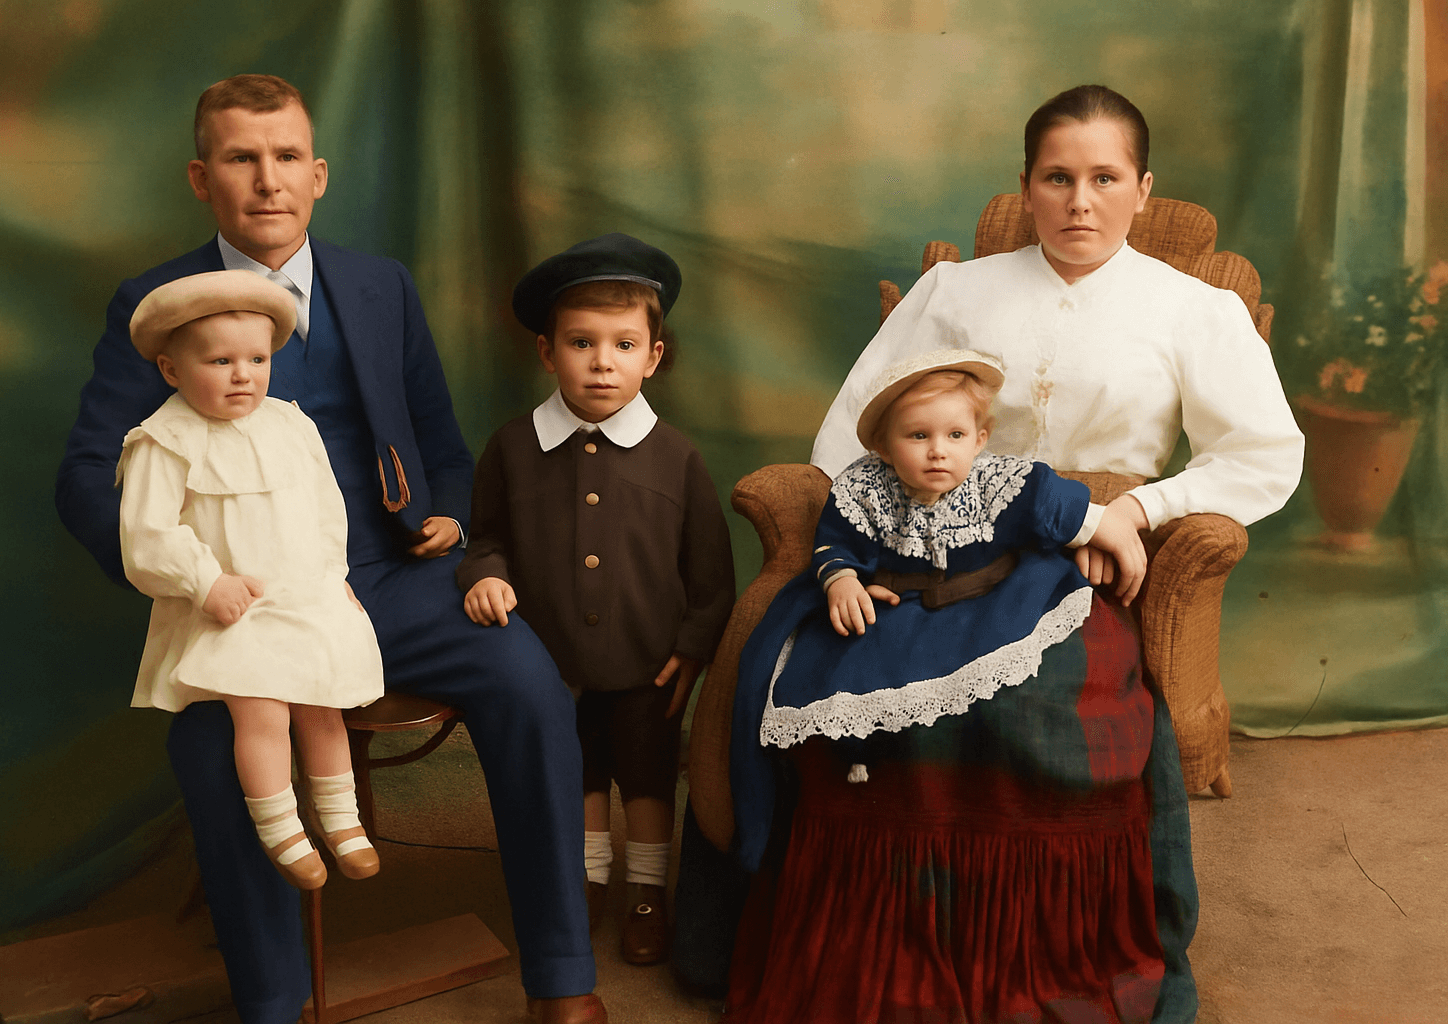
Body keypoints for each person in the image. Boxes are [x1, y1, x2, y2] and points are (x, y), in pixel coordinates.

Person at [699, 84, 1304, 1024]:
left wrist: (1140, 509)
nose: (1079, 202)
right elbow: (848, 438)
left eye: (1105, 179)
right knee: (843, 687)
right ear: (1025, 186)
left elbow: (1264, 455)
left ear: (1143, 189)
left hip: (1079, 556)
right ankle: (881, 952)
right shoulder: (958, 292)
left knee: (1042, 701)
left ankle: (1031, 950)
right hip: (915, 544)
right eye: (1057, 178)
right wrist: (855, 554)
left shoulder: (1192, 309)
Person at [56, 74, 606, 1024]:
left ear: (317, 175)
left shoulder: (379, 285)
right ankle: (274, 1002)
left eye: (283, 160)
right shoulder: (153, 305)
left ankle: (561, 978)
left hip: (390, 581)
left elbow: (439, 440)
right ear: (202, 177)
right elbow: (86, 474)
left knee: (526, 681)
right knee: (213, 746)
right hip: (242, 599)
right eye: (239, 159)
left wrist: (446, 515)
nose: (265, 182)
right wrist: (182, 580)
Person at [729, 349, 1160, 1023]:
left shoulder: (1003, 485)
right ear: (882, 445)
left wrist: (1110, 528)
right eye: (918, 436)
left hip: (999, 602)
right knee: (829, 683)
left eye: (955, 436)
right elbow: (833, 545)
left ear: (981, 439)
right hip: (903, 607)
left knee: (1039, 688)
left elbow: (1067, 510)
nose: (938, 453)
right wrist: (840, 578)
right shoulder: (864, 490)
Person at [458, 234, 736, 967]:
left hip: (649, 663)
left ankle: (647, 890)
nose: (602, 362)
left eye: (623, 344)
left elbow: (710, 572)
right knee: (574, 773)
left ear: (654, 355)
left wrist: (693, 646)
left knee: (646, 777)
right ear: (548, 353)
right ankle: (586, 880)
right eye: (582, 343)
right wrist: (482, 575)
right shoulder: (512, 448)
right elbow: (482, 538)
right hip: (549, 665)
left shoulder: (676, 456)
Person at [120, 270, 384, 891]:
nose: (243, 374)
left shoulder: (292, 425)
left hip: (305, 595)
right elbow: (147, 535)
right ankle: (281, 827)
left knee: (323, 706)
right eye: (220, 360)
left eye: (257, 359)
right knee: (262, 712)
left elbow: (326, 509)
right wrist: (207, 581)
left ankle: (342, 822)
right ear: (172, 370)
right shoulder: (165, 440)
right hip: (234, 608)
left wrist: (332, 576)